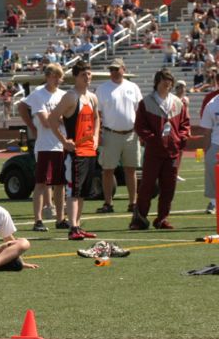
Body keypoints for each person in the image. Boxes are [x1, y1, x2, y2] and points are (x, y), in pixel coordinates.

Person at [130, 69, 189, 230]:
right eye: (165, 82)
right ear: (157, 82)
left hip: (172, 152)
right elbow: (140, 126)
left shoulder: (178, 102)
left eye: (170, 82)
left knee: (169, 187)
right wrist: (152, 139)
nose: (168, 85)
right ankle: (139, 219)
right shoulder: (146, 102)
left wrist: (179, 139)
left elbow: (185, 125)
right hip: (154, 152)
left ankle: (162, 219)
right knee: (147, 186)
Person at [48, 61, 100, 240]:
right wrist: (63, 141)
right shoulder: (71, 97)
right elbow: (52, 118)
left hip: (89, 151)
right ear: (76, 77)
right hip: (75, 152)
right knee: (74, 191)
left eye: (89, 74)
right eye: (84, 74)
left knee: (83, 191)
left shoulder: (92, 97)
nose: (88, 77)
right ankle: (72, 228)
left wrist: (95, 137)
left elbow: (97, 118)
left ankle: (78, 224)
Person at [19, 63, 68, 232]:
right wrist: (32, 126)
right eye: (54, 76)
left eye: (59, 77)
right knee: (41, 183)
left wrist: (59, 119)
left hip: (61, 144)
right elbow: (46, 122)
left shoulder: (63, 95)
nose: (57, 80)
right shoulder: (39, 94)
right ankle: (38, 220)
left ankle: (60, 218)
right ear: (47, 76)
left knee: (60, 183)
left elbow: (65, 118)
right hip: (46, 145)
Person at [95, 58, 143, 214]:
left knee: (131, 169)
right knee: (107, 170)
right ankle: (108, 203)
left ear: (124, 69)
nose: (114, 72)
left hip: (131, 133)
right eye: (111, 70)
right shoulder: (102, 89)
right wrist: (98, 133)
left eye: (117, 69)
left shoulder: (133, 87)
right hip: (110, 133)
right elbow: (97, 114)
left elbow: (140, 111)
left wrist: (141, 131)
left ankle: (133, 203)